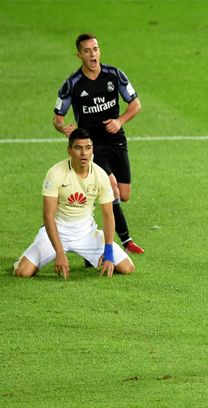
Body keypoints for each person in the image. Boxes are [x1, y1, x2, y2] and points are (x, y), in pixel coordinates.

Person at [53, 33, 144, 255]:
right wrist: (64, 128)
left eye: (95, 49)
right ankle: (123, 240)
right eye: (87, 50)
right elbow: (58, 118)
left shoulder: (115, 75)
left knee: (123, 195)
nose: (93, 54)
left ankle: (90, 221)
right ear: (79, 55)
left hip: (116, 141)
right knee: (111, 189)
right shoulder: (72, 84)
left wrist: (120, 121)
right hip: (92, 146)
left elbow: (136, 104)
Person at [13, 128, 135, 278]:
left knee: (127, 268)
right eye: (78, 148)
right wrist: (59, 252)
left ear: (92, 150)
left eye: (87, 148)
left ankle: (91, 257)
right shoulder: (55, 173)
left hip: (86, 234)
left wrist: (108, 252)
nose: (83, 153)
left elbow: (108, 215)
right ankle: (23, 258)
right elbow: (48, 216)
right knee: (22, 272)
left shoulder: (101, 175)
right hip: (57, 233)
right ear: (69, 150)